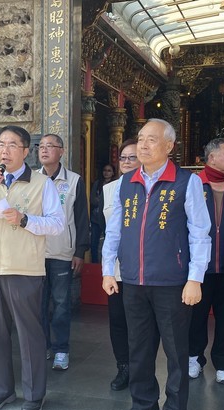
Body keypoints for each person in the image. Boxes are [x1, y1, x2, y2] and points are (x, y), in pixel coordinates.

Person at [102, 119, 211, 410]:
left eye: (152, 140)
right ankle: (144, 403)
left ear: (169, 146)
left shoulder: (185, 182)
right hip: (133, 281)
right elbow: (114, 231)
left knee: (177, 350)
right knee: (138, 346)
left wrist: (195, 279)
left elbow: (200, 234)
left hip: (173, 281)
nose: (143, 145)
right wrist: (109, 269)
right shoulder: (127, 183)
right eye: (140, 139)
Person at [0, 125, 64, 410]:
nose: (4, 150)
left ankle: (34, 395)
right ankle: (1, 390)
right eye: (1, 145)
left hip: (25, 269)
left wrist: (24, 220)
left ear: (25, 151)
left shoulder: (42, 184)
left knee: (30, 335)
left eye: (11, 145)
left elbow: (56, 224)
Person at [188, 138, 224, 384]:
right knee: (194, 316)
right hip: (199, 267)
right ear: (211, 157)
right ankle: (193, 357)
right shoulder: (193, 184)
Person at [38, 133, 90, 371]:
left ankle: (61, 349)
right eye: (41, 146)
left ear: (61, 151)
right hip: (35, 252)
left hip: (61, 252)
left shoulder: (74, 181)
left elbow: (81, 218)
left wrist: (79, 251)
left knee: (60, 304)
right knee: (37, 303)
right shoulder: (32, 179)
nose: (45, 150)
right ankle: (42, 346)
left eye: (50, 146)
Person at [102, 138, 141, 391]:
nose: (126, 162)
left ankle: (141, 368)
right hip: (116, 267)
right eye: (123, 158)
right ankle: (123, 367)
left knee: (140, 322)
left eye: (132, 158)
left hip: (143, 267)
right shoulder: (109, 188)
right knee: (118, 319)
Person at [90, 163, 115, 262]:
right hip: (96, 218)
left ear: (113, 173)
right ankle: (95, 264)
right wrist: (103, 202)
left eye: (109, 171)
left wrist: (101, 202)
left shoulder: (115, 184)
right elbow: (92, 199)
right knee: (94, 243)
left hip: (109, 219)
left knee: (108, 243)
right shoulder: (98, 183)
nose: (106, 173)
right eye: (105, 170)